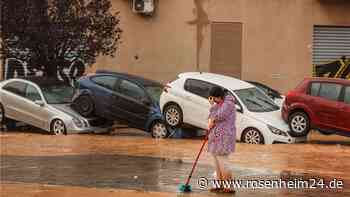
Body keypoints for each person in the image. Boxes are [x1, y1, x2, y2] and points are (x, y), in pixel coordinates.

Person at [207, 86, 236, 193]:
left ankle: (229, 187)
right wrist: (211, 118)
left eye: (214, 98)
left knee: (223, 162)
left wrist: (213, 106)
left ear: (219, 96)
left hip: (224, 137)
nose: (213, 101)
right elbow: (211, 116)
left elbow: (219, 116)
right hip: (215, 136)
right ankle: (218, 184)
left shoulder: (228, 104)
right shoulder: (219, 104)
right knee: (216, 162)